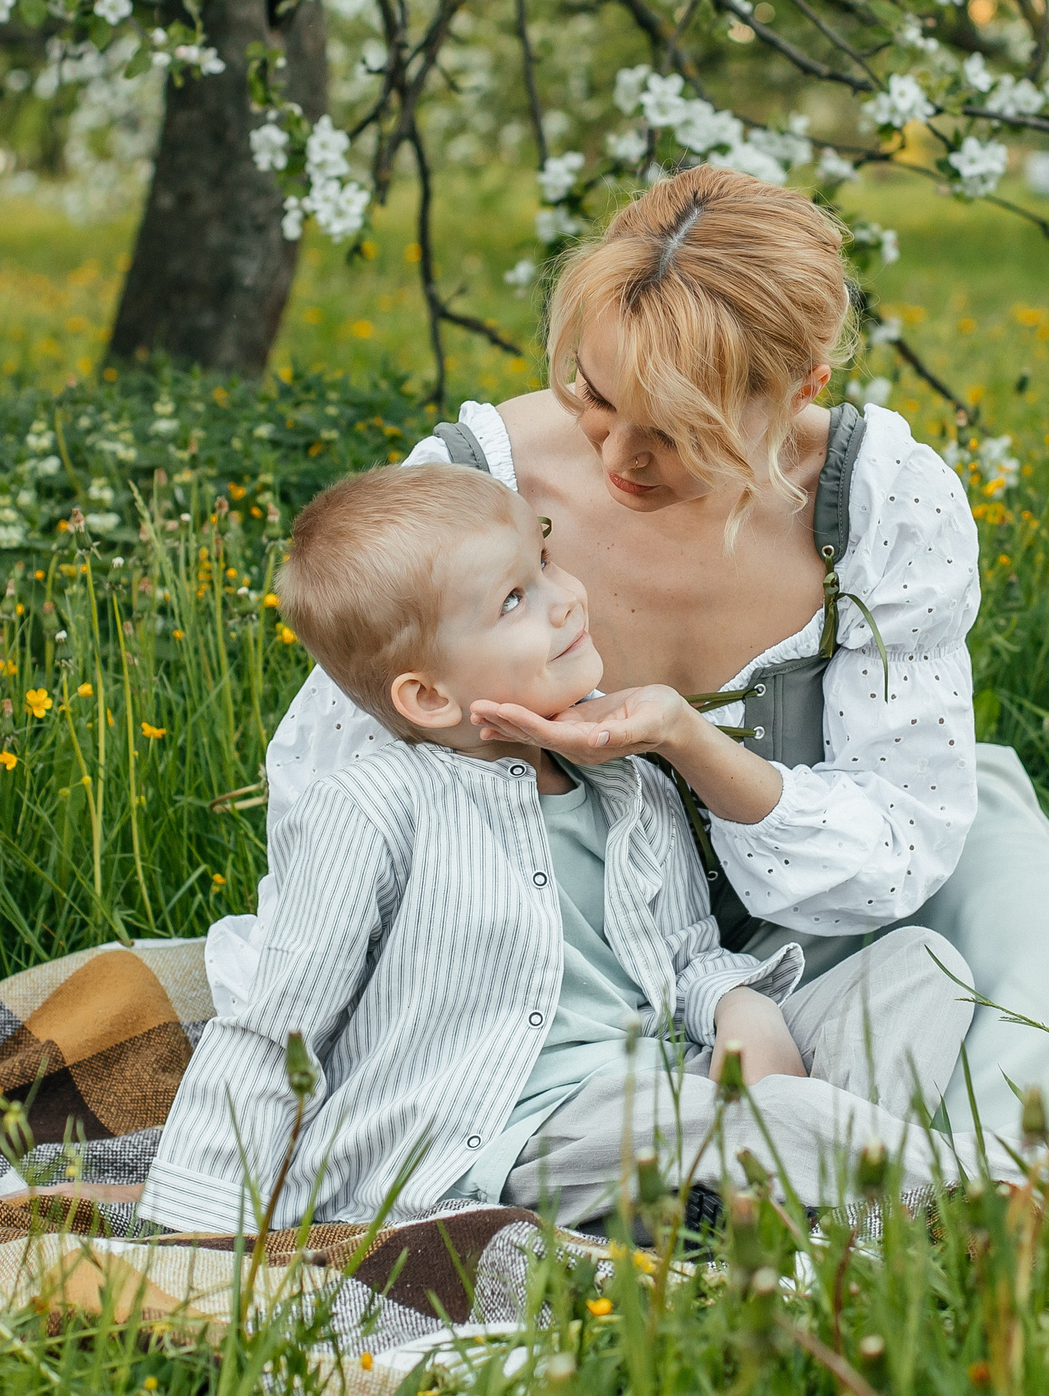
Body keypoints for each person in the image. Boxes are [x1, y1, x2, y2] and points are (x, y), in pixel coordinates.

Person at [238, 166, 1049, 1193]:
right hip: (605, 924)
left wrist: (704, 747)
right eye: (595, 400)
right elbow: (344, 749)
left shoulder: (879, 502)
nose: (623, 461)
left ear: (800, 390)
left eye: (683, 434)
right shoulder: (477, 476)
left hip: (857, 862)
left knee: (1036, 975)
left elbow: (900, 841)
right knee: (989, 1067)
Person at [142, 461, 992, 1232]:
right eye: (515, 599)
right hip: (518, 1131)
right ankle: (1036, 1207)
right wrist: (199, 1228)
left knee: (922, 965)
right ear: (429, 695)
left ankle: (808, 1209)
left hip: (671, 1076)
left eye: (544, 562)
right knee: (740, 1119)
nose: (567, 597)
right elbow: (276, 1023)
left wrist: (741, 1007)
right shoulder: (375, 807)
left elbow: (681, 958)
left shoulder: (626, 779)